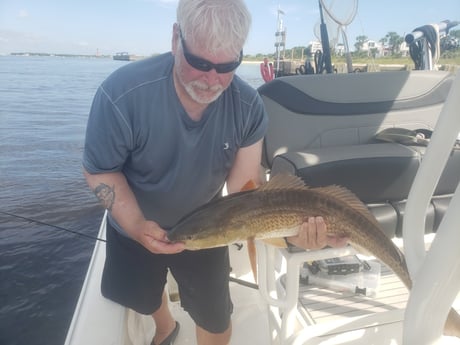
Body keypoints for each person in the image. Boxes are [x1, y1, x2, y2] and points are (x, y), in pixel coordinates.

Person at [82, 0, 348, 344]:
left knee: (215, 314)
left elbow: (245, 195)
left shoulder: (248, 106)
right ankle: (166, 328)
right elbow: (100, 171)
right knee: (143, 297)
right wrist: (134, 225)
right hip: (133, 218)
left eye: (227, 66)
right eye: (199, 62)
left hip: (208, 222)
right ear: (177, 39)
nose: (212, 80)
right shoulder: (121, 95)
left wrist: (293, 233)